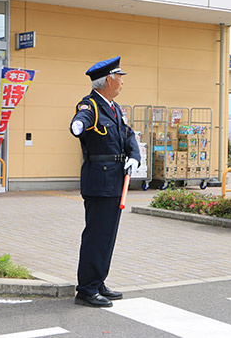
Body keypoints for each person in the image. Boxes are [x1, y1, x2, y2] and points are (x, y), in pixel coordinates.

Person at [69, 56, 140, 307]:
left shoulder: (113, 107)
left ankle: (97, 281)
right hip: (100, 180)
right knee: (97, 235)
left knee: (107, 236)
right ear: (108, 79)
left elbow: (128, 135)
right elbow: (82, 121)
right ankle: (86, 289)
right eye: (119, 77)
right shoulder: (90, 106)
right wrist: (77, 125)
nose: (122, 82)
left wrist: (135, 157)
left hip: (115, 180)